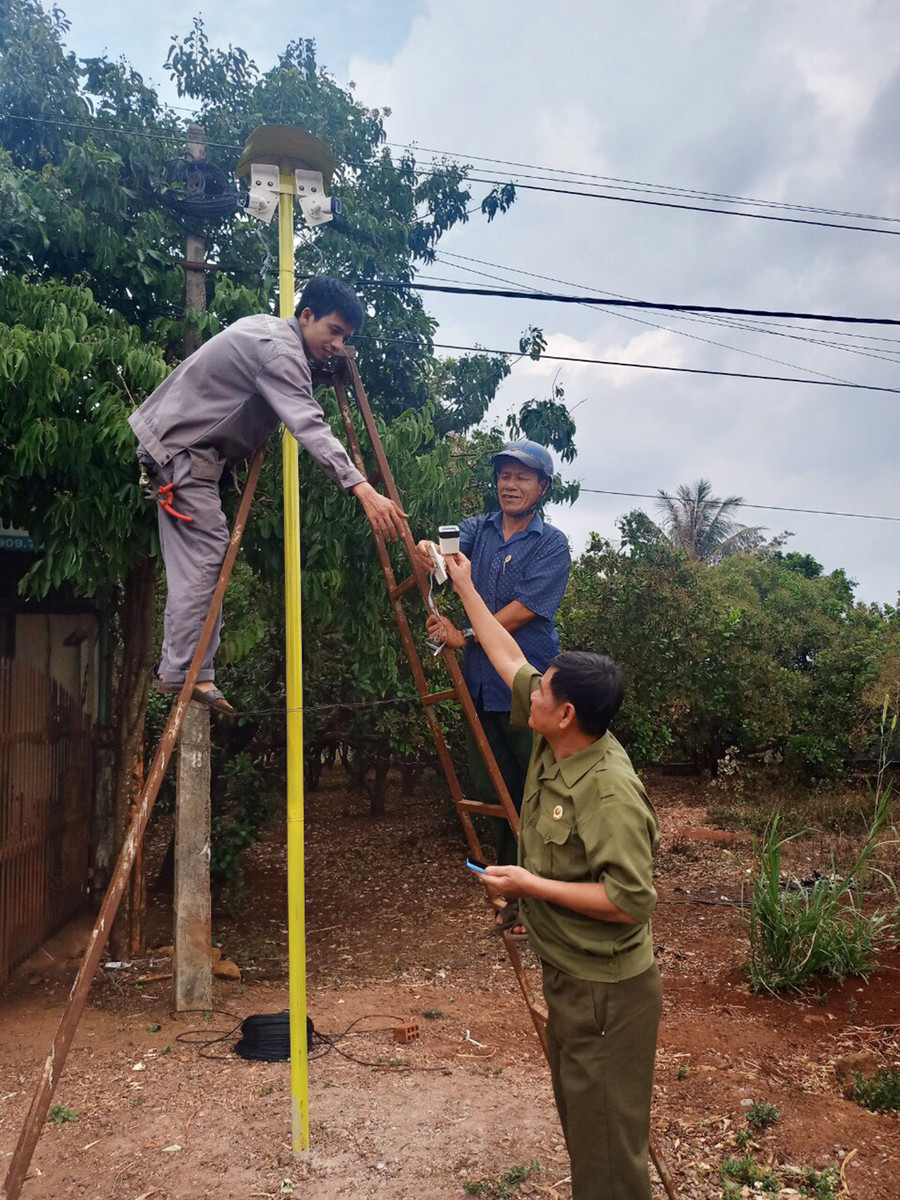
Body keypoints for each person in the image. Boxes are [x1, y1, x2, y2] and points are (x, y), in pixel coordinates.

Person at [445, 549, 662, 1200]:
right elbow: (507, 655)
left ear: (564, 712)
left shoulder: (610, 791)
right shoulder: (556, 733)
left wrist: (526, 884)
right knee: (588, 1138)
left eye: (544, 688)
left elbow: (630, 900)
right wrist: (463, 588)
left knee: (606, 1165)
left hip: (607, 997)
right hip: (572, 980)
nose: (530, 687)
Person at [128, 276, 405, 713]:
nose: (337, 343)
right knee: (206, 555)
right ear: (306, 315)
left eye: (346, 338)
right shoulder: (279, 352)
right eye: (333, 331)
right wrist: (362, 487)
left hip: (186, 448)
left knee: (207, 553)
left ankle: (189, 668)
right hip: (183, 451)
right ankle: (183, 670)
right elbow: (309, 424)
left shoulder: (270, 331)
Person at [417, 440, 570, 928]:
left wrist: (462, 634)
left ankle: (547, 893)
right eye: (505, 475)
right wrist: (426, 551)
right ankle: (511, 890)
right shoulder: (478, 529)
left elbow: (525, 610)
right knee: (492, 787)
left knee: (536, 789)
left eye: (523, 477)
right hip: (480, 684)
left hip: (529, 686)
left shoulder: (551, 543)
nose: (510, 484)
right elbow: (442, 554)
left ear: (542, 487)